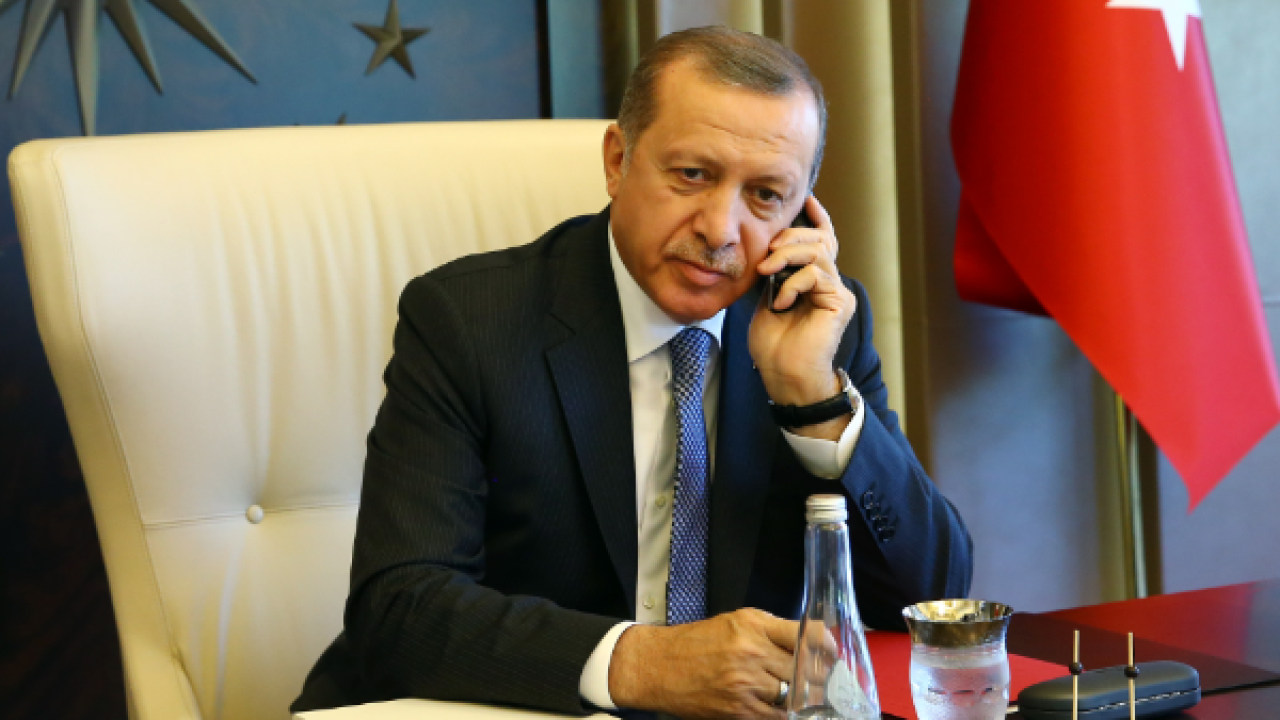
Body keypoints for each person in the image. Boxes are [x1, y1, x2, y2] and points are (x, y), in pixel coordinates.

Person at [293, 26, 972, 719]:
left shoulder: (818, 327)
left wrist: (813, 399)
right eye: (693, 175)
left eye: (766, 194)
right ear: (618, 161)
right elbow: (400, 609)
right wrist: (645, 663)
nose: (719, 229)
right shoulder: (469, 321)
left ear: (803, 215)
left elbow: (932, 601)